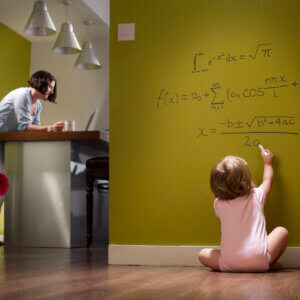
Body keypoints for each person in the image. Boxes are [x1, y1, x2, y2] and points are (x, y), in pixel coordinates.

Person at [198, 150, 288, 272]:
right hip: (259, 259)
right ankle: (269, 263)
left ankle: (249, 264)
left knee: (202, 254)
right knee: (281, 231)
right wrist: (268, 163)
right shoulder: (257, 195)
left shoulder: (218, 204)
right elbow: (268, 180)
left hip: (229, 263)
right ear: (246, 178)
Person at [0, 70, 64, 133]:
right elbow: (24, 128)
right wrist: (50, 128)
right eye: (50, 87)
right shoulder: (23, 95)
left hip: (8, 139)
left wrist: (54, 129)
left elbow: (35, 128)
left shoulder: (38, 104)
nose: (52, 92)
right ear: (41, 84)